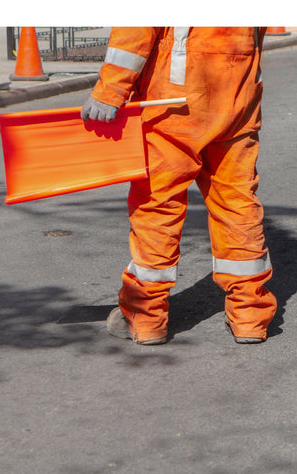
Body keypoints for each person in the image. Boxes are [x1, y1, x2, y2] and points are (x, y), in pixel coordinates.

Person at [81, 27, 276, 346]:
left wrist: (109, 91)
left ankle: (146, 316)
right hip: (238, 95)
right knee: (237, 204)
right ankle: (250, 315)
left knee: (157, 206)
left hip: (174, 101)